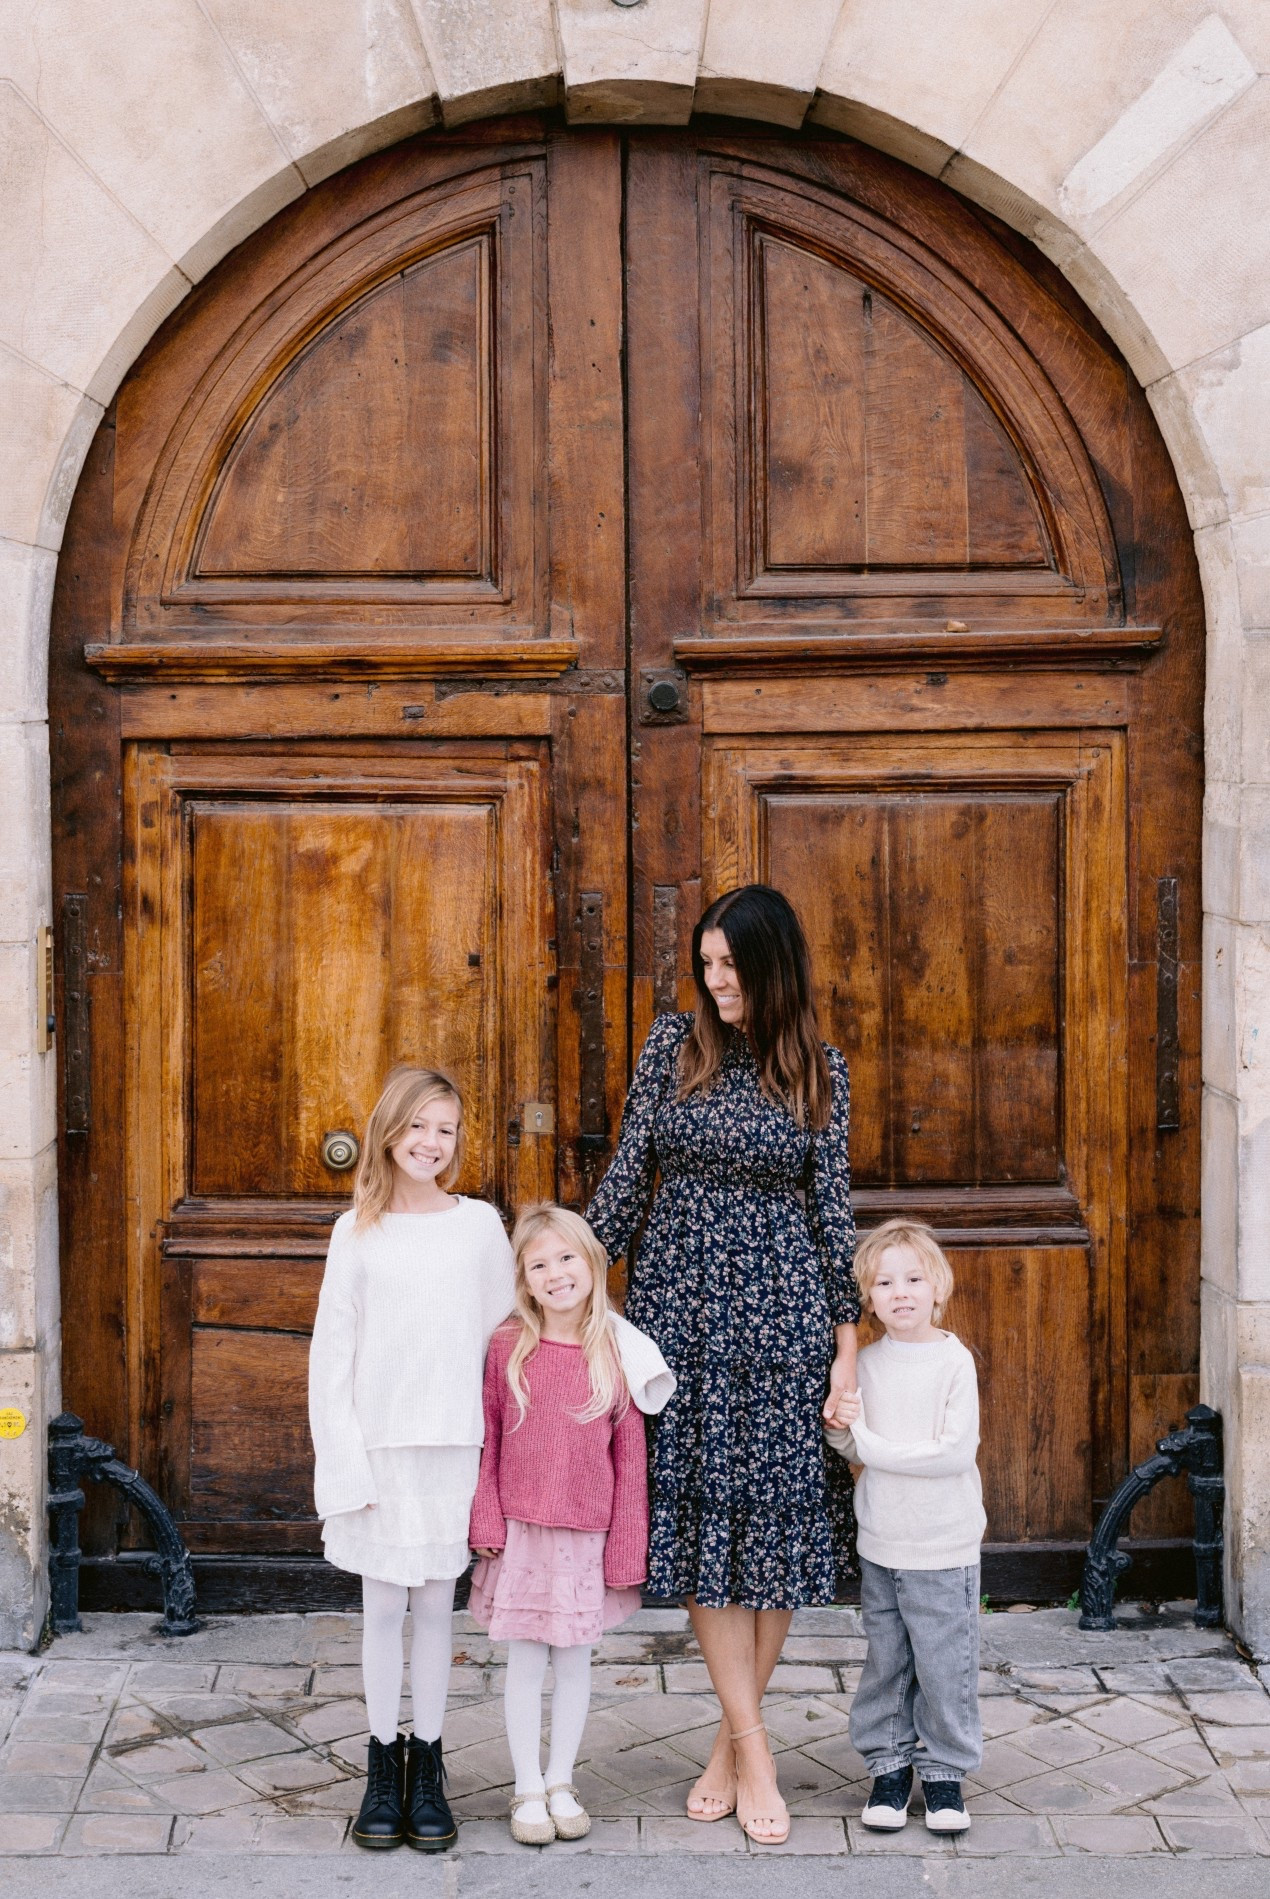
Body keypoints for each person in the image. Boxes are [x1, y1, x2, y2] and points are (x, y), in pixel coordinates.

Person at [587, 884, 859, 1846]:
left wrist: (846, 1351)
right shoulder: (675, 1048)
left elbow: (835, 1220)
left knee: (774, 1541)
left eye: (731, 966)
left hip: (782, 1331)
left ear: (772, 965)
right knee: (707, 1535)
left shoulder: (817, 1071)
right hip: (681, 1325)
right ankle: (758, 1749)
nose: (716, 982)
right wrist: (563, 1277)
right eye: (706, 966)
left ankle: (728, 1749)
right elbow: (627, 1176)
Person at [308, 1066, 515, 1852]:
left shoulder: (478, 1226)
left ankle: (427, 1762)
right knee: (382, 1611)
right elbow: (333, 1355)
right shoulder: (355, 1229)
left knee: (435, 1609)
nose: (430, 1142)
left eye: (446, 1129)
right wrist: (343, 1459)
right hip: (380, 1447)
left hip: (453, 1445)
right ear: (388, 1130)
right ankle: (378, 1763)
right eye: (417, 1125)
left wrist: (501, 1459)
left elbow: (505, 1338)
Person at [468, 1204, 652, 1845]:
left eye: (566, 1257)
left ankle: (560, 1780)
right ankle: (525, 1788)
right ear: (523, 1278)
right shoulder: (506, 1346)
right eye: (539, 1263)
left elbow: (631, 1462)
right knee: (524, 1662)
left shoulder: (617, 1350)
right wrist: (484, 1514)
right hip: (521, 1532)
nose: (555, 1272)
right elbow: (488, 1440)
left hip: (585, 1537)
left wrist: (627, 1547)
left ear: (593, 1263)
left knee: (574, 1663)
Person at [824, 1218, 986, 1836]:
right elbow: (848, 1444)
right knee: (887, 1661)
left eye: (914, 1279)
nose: (901, 1292)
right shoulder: (863, 1363)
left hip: (943, 1543)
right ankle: (888, 1768)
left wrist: (867, 1444)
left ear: (937, 1288)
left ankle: (945, 1774)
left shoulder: (953, 1361)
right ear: (869, 1297)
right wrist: (841, 1428)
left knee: (945, 1663)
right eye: (885, 1282)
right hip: (883, 1542)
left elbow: (952, 1453)